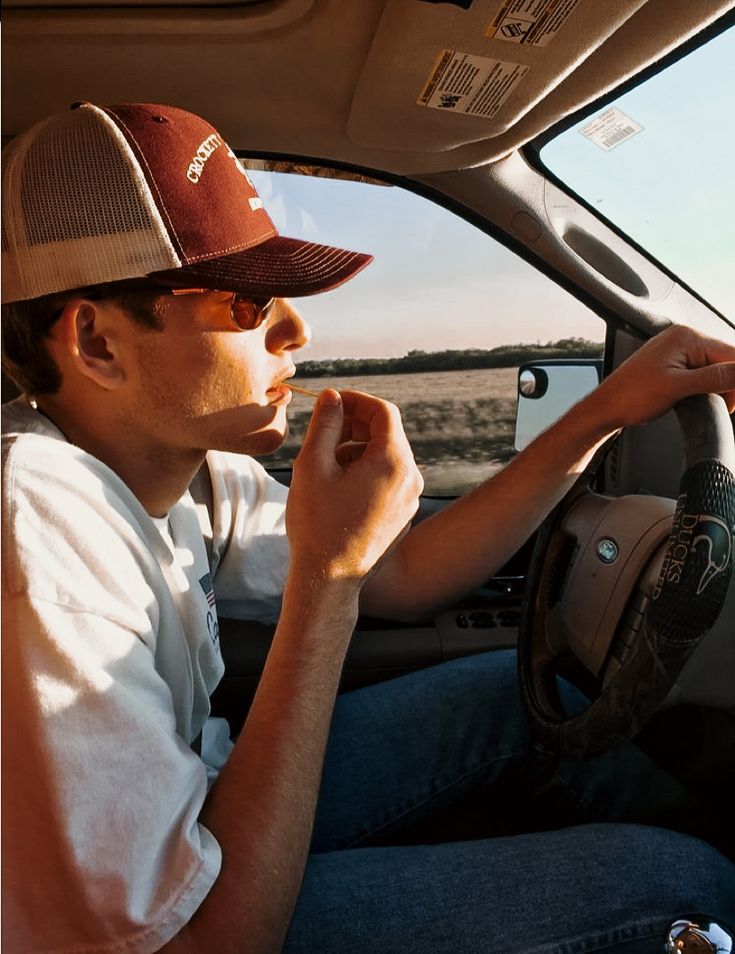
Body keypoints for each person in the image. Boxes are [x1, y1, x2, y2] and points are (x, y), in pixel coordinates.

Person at [2, 101, 734, 954]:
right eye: (247, 302)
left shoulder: (188, 476)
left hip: (194, 808)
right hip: (192, 927)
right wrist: (326, 581)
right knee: (680, 891)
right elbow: (199, 944)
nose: (296, 329)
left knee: (507, 699)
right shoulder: (36, 531)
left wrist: (600, 413)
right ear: (96, 342)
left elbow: (407, 575)